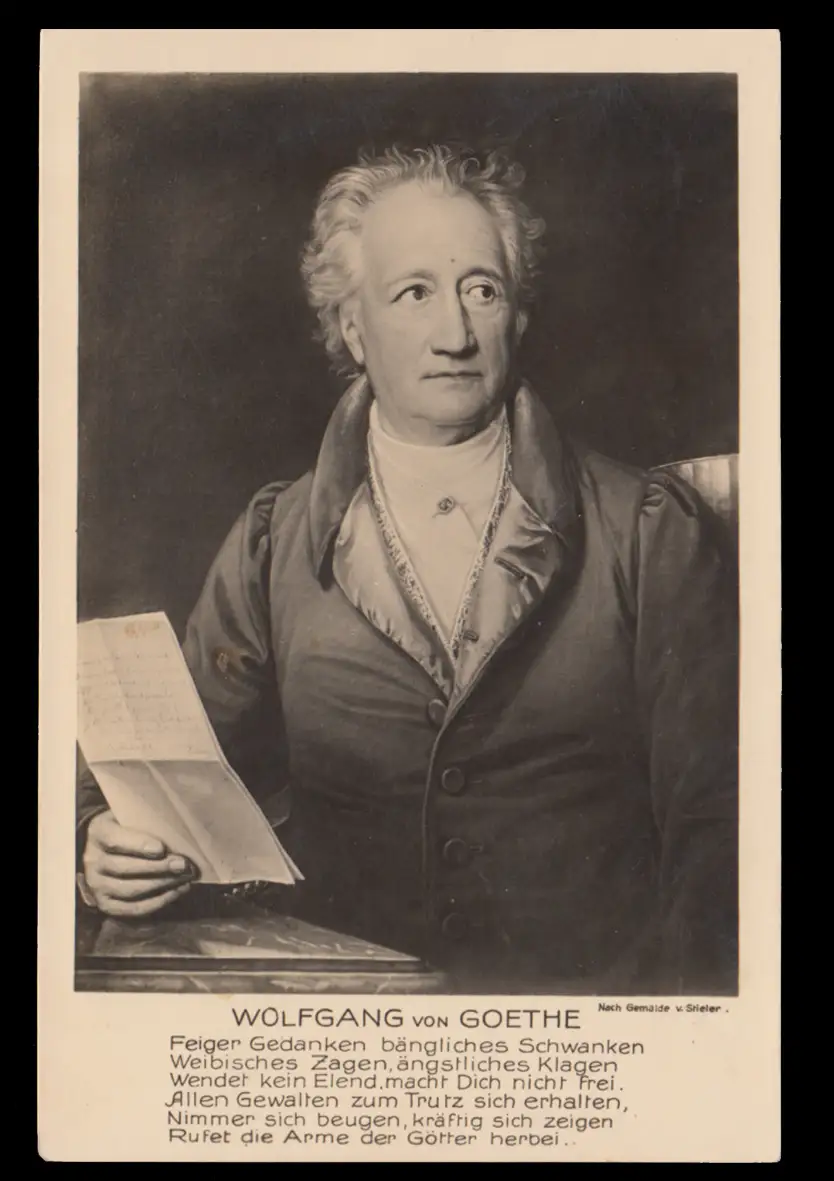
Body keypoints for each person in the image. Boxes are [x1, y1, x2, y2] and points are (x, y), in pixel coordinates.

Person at [77, 144, 738, 994]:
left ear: (518, 318)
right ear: (353, 329)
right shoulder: (274, 539)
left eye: (482, 290)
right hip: (345, 1020)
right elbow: (169, 779)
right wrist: (103, 842)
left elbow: (722, 835)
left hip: (583, 1022)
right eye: (414, 293)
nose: (454, 334)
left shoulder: (647, 529)